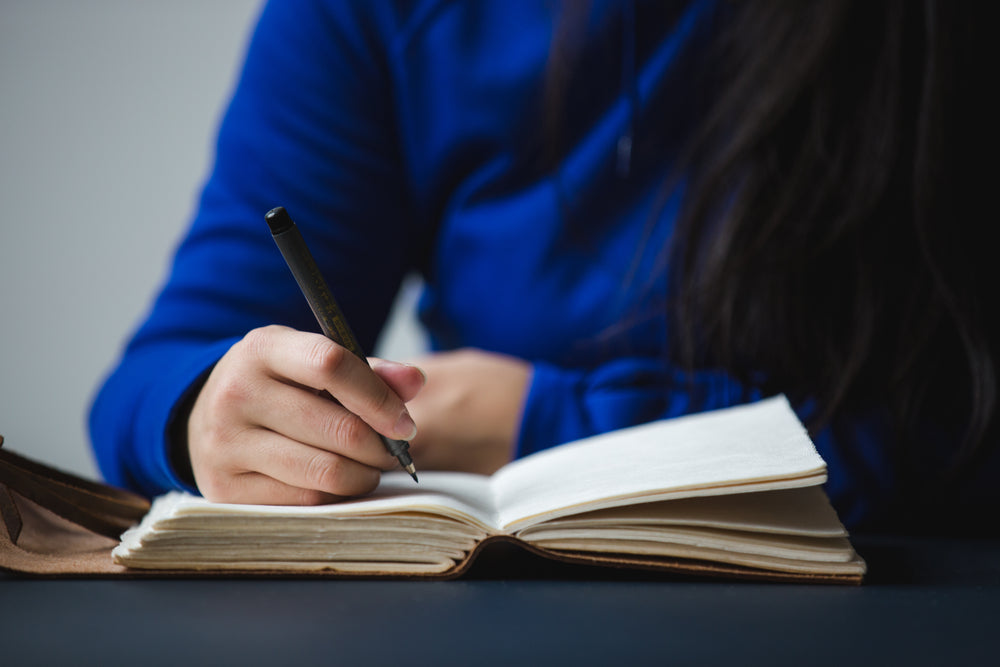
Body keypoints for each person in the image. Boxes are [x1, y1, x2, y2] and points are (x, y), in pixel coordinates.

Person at [89, 0, 996, 532]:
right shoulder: (370, 17)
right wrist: (210, 411)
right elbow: (150, 378)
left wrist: (544, 418)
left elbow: (958, 431)